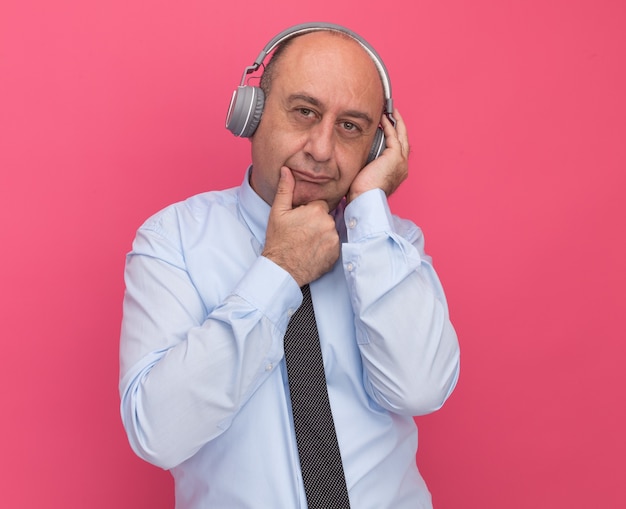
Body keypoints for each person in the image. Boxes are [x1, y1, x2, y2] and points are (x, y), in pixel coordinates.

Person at [119, 22, 460, 509]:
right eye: (304, 112)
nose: (321, 150)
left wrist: (368, 210)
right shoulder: (172, 240)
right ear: (250, 113)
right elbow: (158, 432)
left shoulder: (391, 243)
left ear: (376, 148)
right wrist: (279, 271)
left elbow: (421, 390)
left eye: (350, 127)